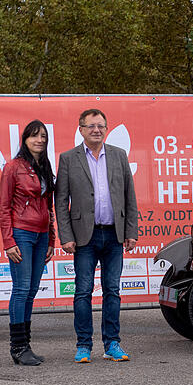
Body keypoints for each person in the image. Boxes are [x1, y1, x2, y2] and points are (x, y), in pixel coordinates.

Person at [55, 109, 138, 363]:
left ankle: (112, 344)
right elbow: (61, 202)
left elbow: (129, 197)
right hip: (84, 238)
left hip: (114, 235)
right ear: (81, 129)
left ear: (106, 128)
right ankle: (83, 345)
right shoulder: (68, 159)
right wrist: (66, 236)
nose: (96, 130)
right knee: (83, 291)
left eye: (101, 126)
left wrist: (131, 231)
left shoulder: (119, 155)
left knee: (112, 291)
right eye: (91, 126)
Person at [0, 120, 56, 365]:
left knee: (31, 291)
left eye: (43, 136)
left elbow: (49, 207)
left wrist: (52, 238)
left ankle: (26, 345)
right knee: (21, 290)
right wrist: (8, 241)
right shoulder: (13, 167)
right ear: (25, 139)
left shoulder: (44, 166)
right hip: (21, 233)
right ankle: (17, 347)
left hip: (42, 235)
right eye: (34, 136)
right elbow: (3, 207)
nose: (39, 140)